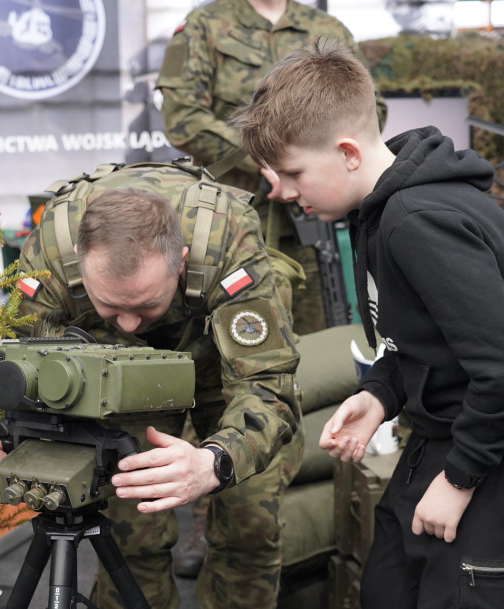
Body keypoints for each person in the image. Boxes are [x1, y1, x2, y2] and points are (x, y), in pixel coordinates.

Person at [234, 41, 504, 609]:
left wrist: (458, 481)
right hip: (451, 423)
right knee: (391, 608)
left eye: (291, 174)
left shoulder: (418, 220)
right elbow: (415, 339)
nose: (282, 194)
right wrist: (379, 394)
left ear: (346, 152)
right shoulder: (377, 209)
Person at [0, 170, 303, 609]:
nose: (130, 322)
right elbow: (25, 369)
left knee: (251, 522)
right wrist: (2, 438)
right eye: (113, 305)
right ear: (81, 272)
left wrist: (215, 461)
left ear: (183, 264)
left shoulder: (225, 240)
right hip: (108, 364)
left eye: (145, 305)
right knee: (134, 527)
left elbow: (268, 388)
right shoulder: (51, 254)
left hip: (216, 347)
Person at [155, 0, 387, 578]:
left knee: (294, 368)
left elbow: (365, 112)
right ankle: (210, 515)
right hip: (225, 225)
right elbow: (182, 117)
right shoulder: (205, 25)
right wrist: (266, 158)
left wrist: (306, 162)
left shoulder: (328, 29)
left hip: (304, 234)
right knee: (216, 369)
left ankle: (289, 510)